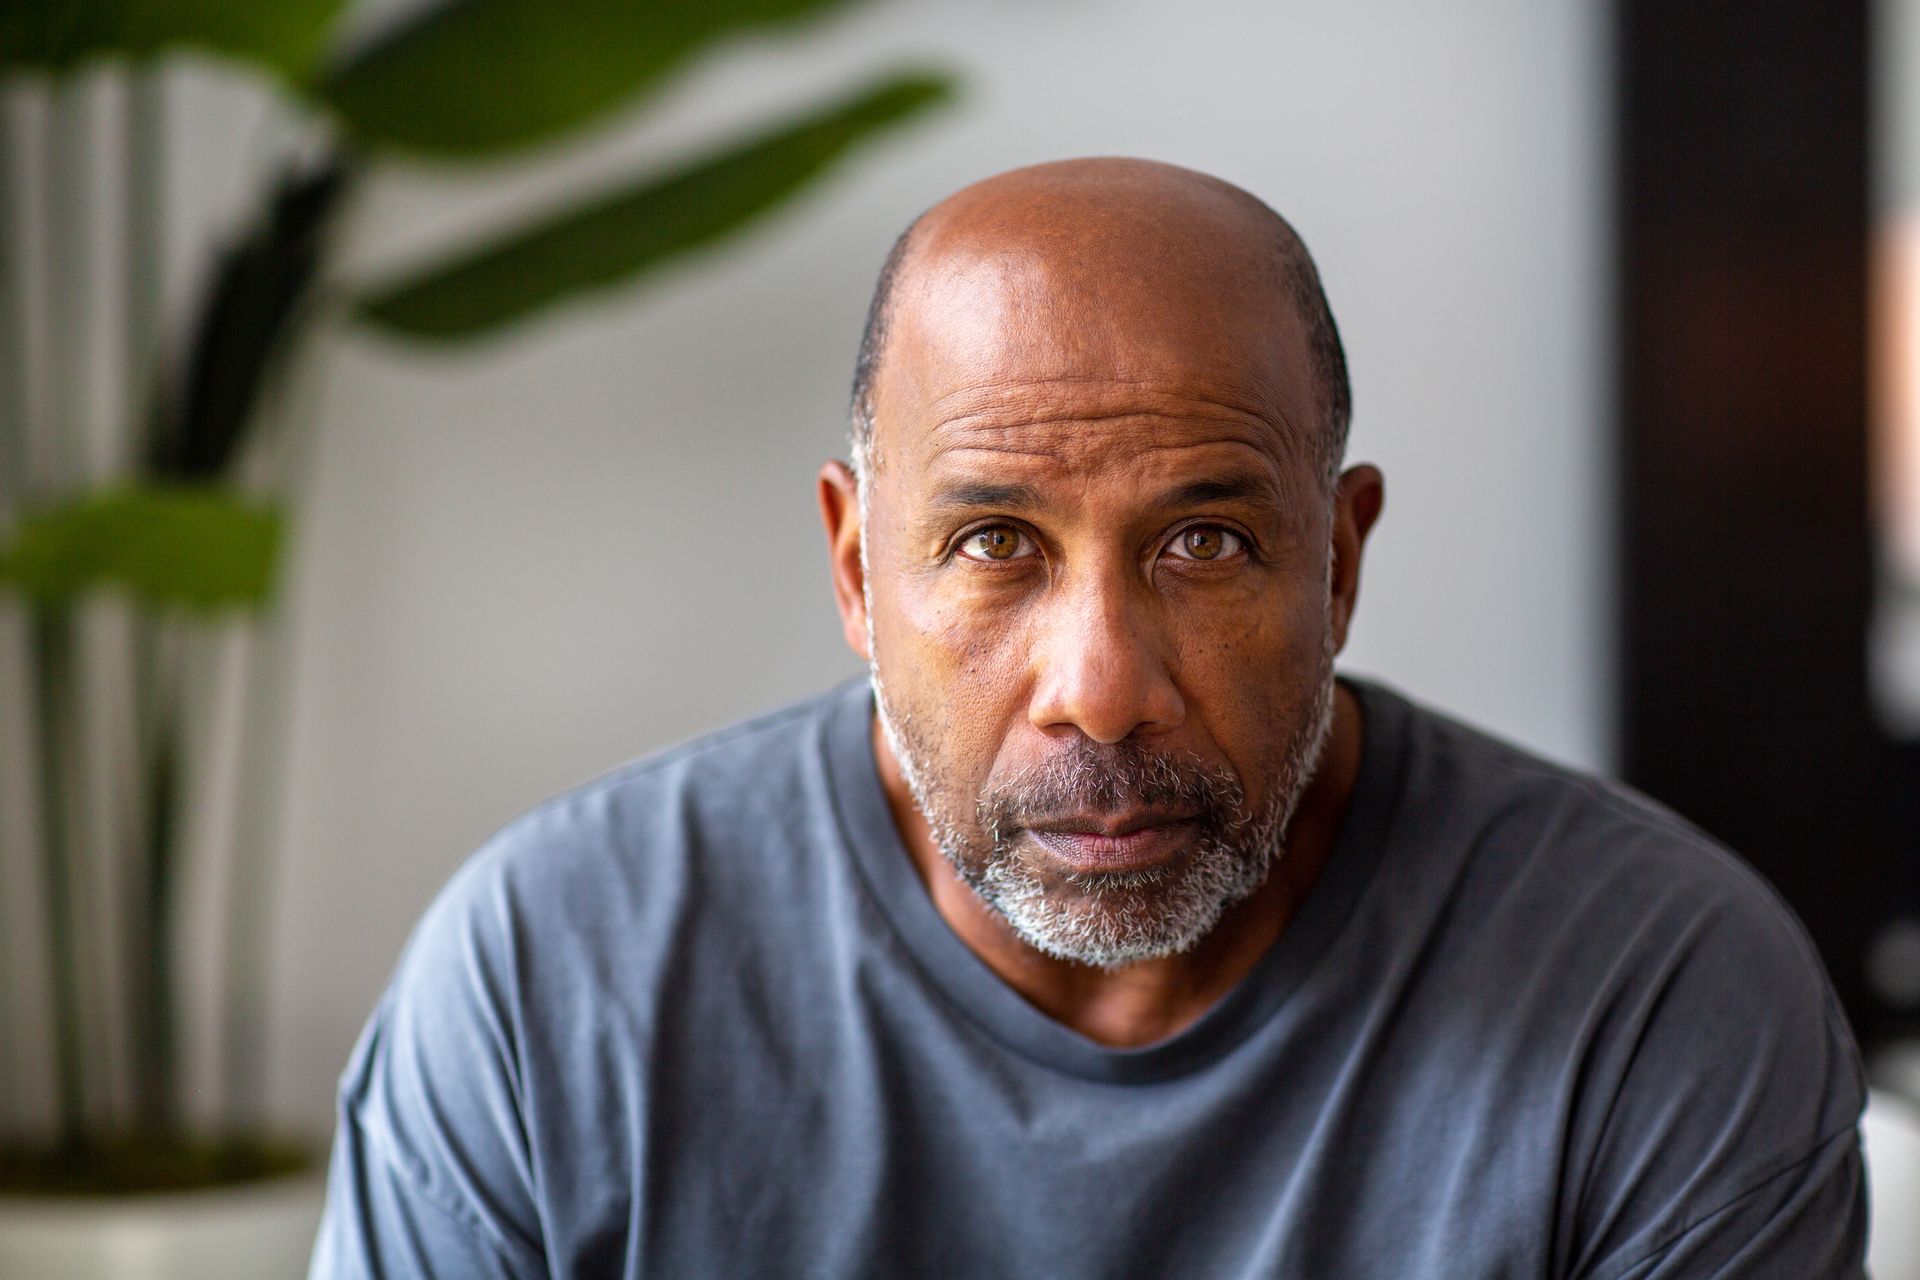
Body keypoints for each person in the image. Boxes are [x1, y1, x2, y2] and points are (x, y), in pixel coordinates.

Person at [309, 158, 1867, 1277]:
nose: (1102, 687)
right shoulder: (546, 985)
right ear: (859, 570)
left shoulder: (1661, 998)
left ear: (1336, 562)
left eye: (1207, 543)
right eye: (995, 547)